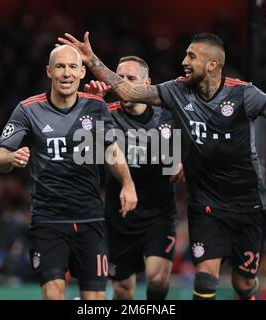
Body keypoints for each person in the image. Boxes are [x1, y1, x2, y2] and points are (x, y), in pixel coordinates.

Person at [58, 32, 266, 300]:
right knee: (205, 279)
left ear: (212, 65)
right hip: (205, 205)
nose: (184, 61)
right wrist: (91, 60)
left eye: (192, 56)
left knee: (244, 284)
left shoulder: (244, 94)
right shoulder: (176, 90)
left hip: (248, 205)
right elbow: (125, 95)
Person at [0, 45, 137, 300]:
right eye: (60, 66)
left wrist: (127, 183)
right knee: (53, 294)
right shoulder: (28, 109)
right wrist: (12, 158)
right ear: (49, 71)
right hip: (48, 220)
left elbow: (111, 151)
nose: (66, 73)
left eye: (72, 67)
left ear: (82, 73)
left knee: (95, 301)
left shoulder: (96, 107)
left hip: (89, 219)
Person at [85, 56, 183, 300]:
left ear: (147, 83)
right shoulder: (106, 113)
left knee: (158, 279)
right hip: (120, 217)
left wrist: (183, 163)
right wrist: (91, 106)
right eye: (120, 79)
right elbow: (85, 152)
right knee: (122, 289)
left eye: (131, 78)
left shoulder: (168, 116)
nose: (124, 84)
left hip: (159, 214)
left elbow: (190, 148)